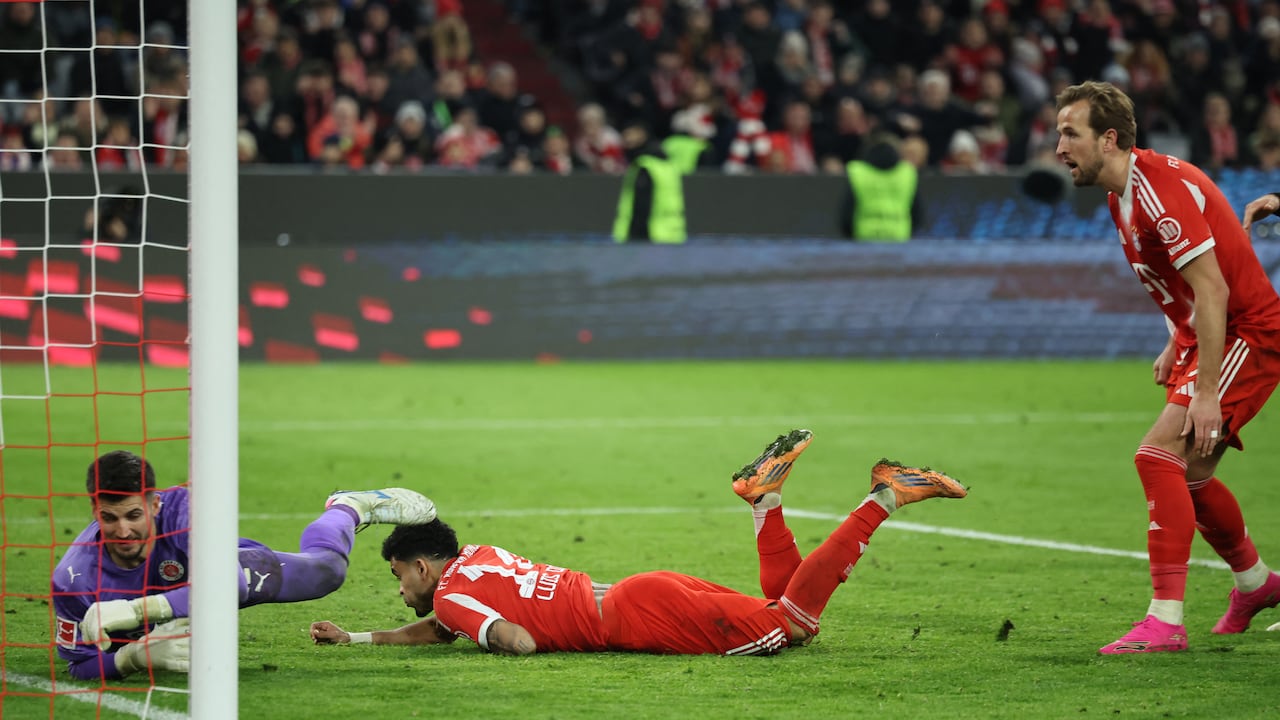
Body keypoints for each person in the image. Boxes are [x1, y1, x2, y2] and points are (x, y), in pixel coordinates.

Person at [310, 430, 967, 655]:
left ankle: (884, 496)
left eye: (399, 577)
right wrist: (361, 639)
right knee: (777, 605)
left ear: (422, 566)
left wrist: (496, 644)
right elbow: (443, 626)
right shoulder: (476, 558)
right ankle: (764, 500)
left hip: (637, 618)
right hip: (636, 590)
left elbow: (518, 640)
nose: (401, 590)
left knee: (794, 623)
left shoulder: (451, 602)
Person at [1054, 81, 1280, 655]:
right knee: (1193, 476)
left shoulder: (1158, 190)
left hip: (1249, 334)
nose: (1059, 147)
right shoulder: (1119, 194)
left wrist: (1205, 393)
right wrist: (1175, 342)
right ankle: (1256, 585)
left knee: (1158, 457)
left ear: (1109, 139)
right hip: (1214, 332)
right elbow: (1177, 289)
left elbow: (1213, 289)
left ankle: (1165, 620)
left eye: (1069, 133)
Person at [52, 450, 437, 680]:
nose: (124, 530)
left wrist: (137, 609)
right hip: (180, 603)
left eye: (134, 515)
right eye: (109, 518)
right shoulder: (73, 580)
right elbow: (79, 666)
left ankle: (348, 507)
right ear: (94, 511)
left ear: (154, 505)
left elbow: (228, 584)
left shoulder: (184, 510)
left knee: (328, 573)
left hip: (218, 570)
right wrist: (129, 658)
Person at [611, 121, 687, 243]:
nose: (627, 140)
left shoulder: (644, 165)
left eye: (630, 135)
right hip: (670, 235)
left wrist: (633, 236)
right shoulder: (665, 163)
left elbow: (641, 205)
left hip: (648, 236)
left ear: (643, 135)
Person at [840, 135, 921, 241]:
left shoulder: (857, 172)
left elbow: (848, 211)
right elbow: (917, 212)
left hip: (865, 235)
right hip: (899, 234)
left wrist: (851, 235)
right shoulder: (907, 173)